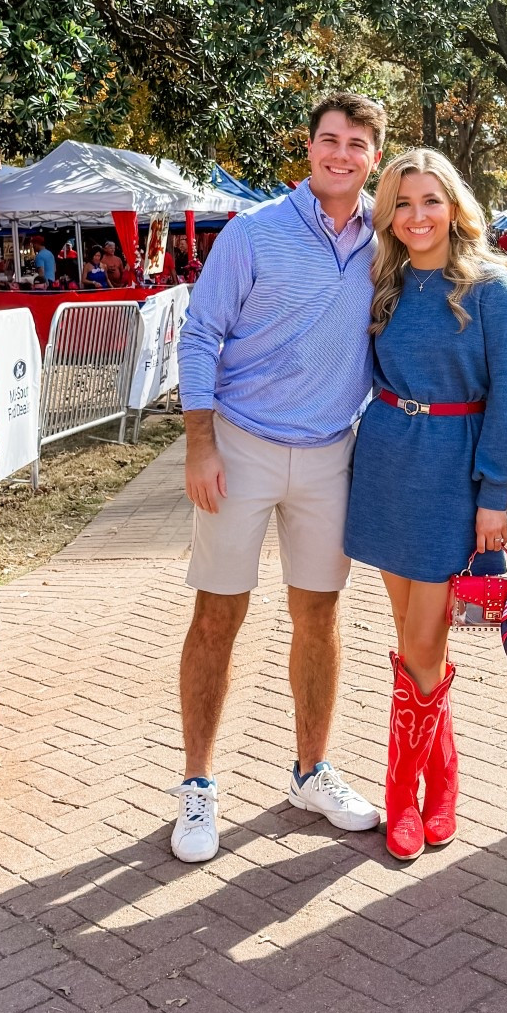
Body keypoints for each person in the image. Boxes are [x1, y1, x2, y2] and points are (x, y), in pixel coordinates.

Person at [170, 92, 387, 863]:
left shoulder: (385, 243)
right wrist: (201, 444)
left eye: (356, 144)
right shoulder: (254, 232)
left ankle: (310, 773)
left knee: (319, 618)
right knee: (217, 616)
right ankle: (197, 786)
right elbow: (201, 336)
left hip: (332, 449)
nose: (341, 153)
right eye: (329, 139)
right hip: (241, 443)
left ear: (373, 157)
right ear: (309, 149)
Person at [343, 149, 507, 861]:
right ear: (386, 213)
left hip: (453, 470)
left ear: (454, 205)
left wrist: (495, 493)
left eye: (430, 200)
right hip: (388, 461)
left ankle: (402, 797)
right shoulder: (383, 281)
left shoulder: (490, 287)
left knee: (422, 643)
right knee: (415, 637)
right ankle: (440, 780)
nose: (416, 216)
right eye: (401, 203)